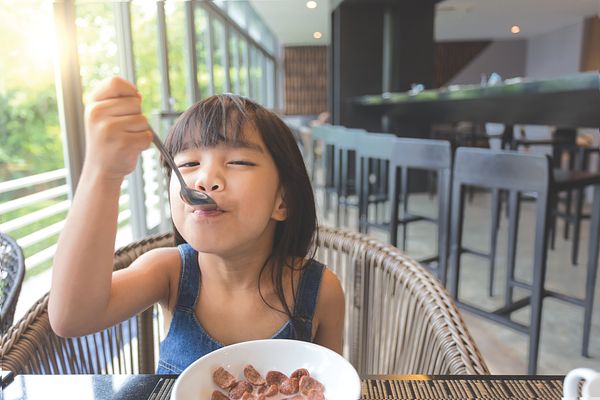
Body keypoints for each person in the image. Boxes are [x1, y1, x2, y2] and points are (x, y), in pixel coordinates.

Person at [48, 76, 345, 374]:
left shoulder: (320, 291)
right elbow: (72, 317)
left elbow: (332, 383)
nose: (204, 179)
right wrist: (104, 173)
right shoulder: (170, 274)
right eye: (189, 164)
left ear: (283, 202)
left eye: (239, 161)